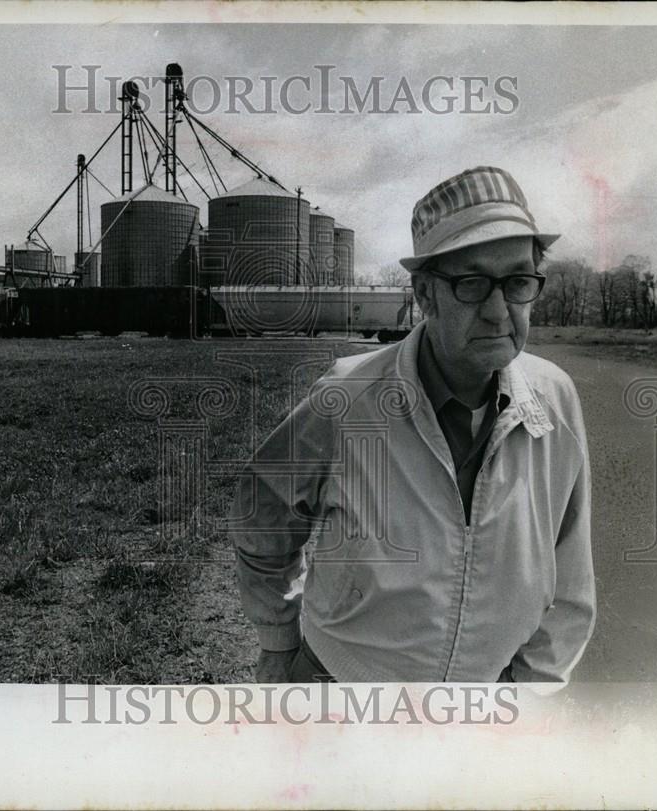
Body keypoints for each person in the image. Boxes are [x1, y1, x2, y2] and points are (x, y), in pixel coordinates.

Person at [227, 166, 596, 683]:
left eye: (516, 282)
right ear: (425, 294)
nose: (498, 311)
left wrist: (528, 701)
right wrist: (277, 639)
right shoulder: (349, 399)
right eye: (471, 284)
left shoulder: (554, 400)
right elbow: (260, 513)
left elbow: (570, 581)